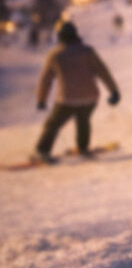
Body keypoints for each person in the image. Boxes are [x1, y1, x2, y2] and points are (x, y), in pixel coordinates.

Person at [33, 20, 120, 162]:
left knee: (53, 124)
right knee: (83, 120)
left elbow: (45, 80)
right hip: (90, 97)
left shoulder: (55, 55)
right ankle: (83, 148)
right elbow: (103, 72)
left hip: (67, 99)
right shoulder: (87, 51)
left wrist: (41, 99)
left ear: (60, 36)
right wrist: (114, 91)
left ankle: (42, 151)